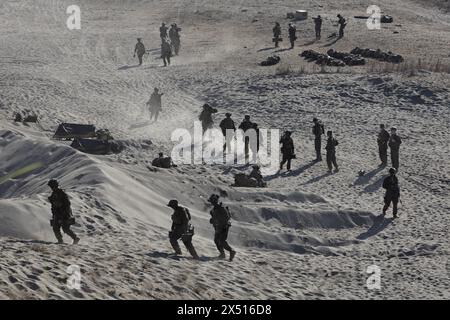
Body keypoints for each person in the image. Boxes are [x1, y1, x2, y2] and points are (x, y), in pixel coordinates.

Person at [47, 179, 80, 244]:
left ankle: (75, 238)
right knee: (55, 228)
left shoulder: (62, 193)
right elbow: (54, 205)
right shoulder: (54, 194)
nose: (51, 188)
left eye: (52, 186)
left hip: (64, 214)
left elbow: (67, 204)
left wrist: (64, 212)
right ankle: (60, 241)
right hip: (57, 214)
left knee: (65, 228)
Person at [208, 194, 236, 261]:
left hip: (223, 227)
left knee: (222, 241)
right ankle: (222, 254)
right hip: (218, 227)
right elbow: (214, 218)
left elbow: (226, 218)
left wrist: (220, 223)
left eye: (212, 201)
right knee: (216, 240)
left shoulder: (221, 208)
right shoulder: (214, 209)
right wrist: (212, 220)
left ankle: (231, 251)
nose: (211, 203)